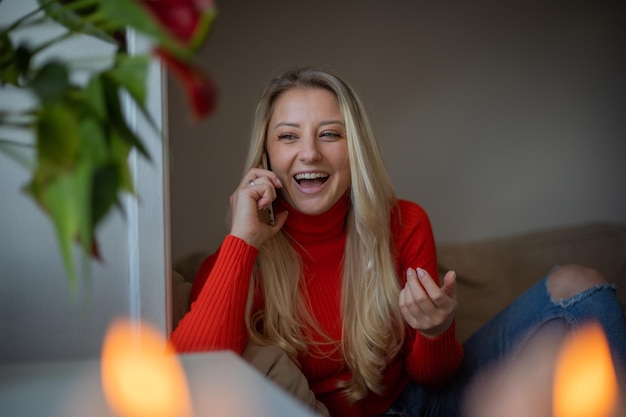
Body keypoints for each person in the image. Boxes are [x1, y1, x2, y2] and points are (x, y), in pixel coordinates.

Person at [171, 67, 626, 417]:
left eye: (330, 134)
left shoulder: (404, 223)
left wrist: (434, 331)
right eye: (288, 137)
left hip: (423, 403)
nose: (309, 153)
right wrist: (241, 241)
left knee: (578, 281)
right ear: (267, 156)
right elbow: (188, 371)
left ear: (356, 150)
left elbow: (435, 375)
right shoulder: (239, 255)